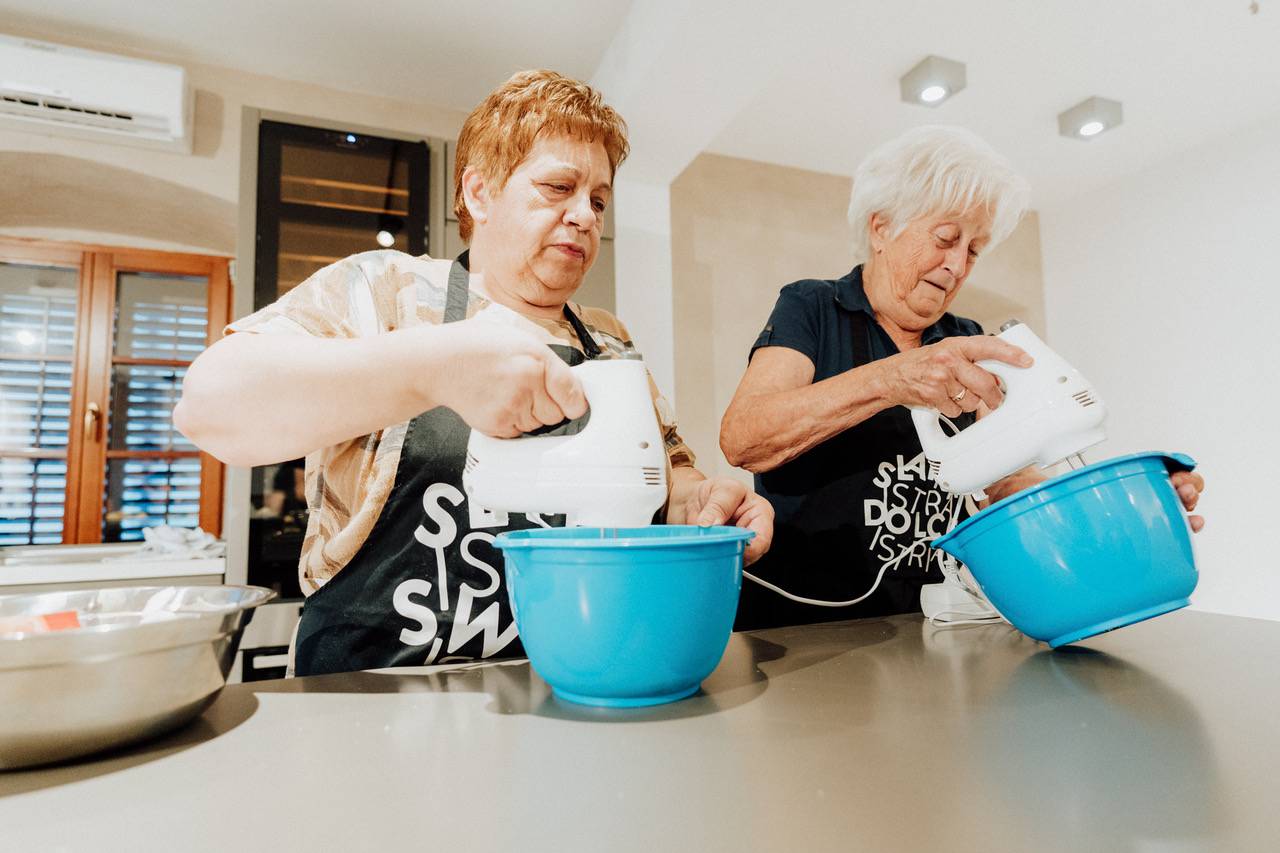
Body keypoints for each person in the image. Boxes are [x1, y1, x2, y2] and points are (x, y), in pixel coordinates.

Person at [175, 70, 773, 675]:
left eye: (597, 200)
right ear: (480, 193)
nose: (586, 216)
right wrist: (435, 368)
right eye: (557, 187)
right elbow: (211, 405)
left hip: (567, 676)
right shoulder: (389, 291)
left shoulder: (610, 342)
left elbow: (669, 477)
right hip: (372, 692)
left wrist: (704, 502)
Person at [720, 125, 1203, 630]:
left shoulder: (964, 337)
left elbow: (1008, 479)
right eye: (946, 239)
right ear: (881, 228)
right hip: (805, 628)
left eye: (974, 250)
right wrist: (892, 378)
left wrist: (1118, 512)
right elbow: (745, 437)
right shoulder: (813, 307)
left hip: (928, 623)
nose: (956, 266)